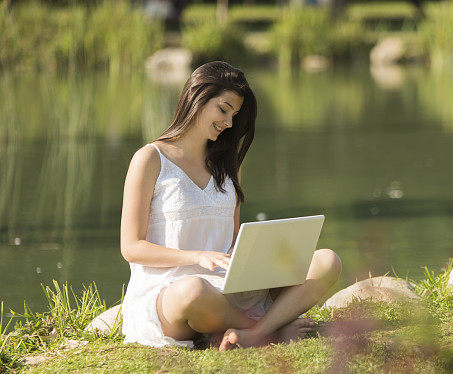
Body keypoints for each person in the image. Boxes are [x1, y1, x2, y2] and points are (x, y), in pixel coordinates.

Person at [120, 61, 342, 350]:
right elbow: (132, 247)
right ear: (196, 97)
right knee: (193, 289)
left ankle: (253, 332)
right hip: (173, 293)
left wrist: (260, 254)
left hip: (228, 287)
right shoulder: (150, 159)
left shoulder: (229, 165)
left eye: (234, 115)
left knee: (327, 261)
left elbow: (231, 241)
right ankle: (269, 332)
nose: (229, 122)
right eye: (223, 109)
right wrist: (197, 257)